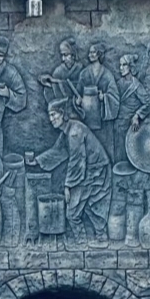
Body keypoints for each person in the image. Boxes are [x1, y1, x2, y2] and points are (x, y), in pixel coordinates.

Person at [26, 100, 113, 239]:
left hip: (96, 172)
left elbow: (77, 161)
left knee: (75, 212)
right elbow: (58, 151)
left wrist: (68, 186)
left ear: (62, 114)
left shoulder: (74, 132)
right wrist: (37, 160)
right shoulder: (68, 129)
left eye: (54, 115)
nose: (51, 119)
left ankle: (85, 241)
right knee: (87, 208)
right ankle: (93, 239)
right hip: (88, 171)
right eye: (50, 115)